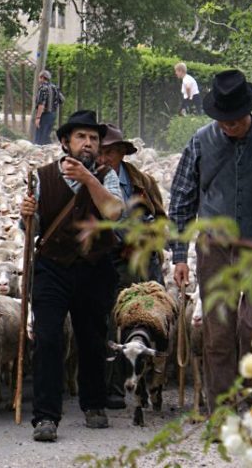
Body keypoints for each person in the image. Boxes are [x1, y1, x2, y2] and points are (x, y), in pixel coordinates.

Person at [20, 110, 123, 442]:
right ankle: (46, 416)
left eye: (93, 139)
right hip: (53, 267)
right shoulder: (41, 176)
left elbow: (115, 212)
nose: (89, 144)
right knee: (48, 338)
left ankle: (93, 404)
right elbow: (31, 229)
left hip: (94, 266)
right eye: (81, 137)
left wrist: (89, 179)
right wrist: (26, 217)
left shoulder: (106, 176)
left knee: (92, 337)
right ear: (65, 142)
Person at [170, 69, 252, 414]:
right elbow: (182, 198)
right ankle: (222, 408)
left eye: (235, 120)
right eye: (223, 121)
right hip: (214, 246)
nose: (229, 126)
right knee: (218, 331)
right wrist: (179, 256)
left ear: (248, 112)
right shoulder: (201, 140)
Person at [98, 123, 167, 409]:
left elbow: (162, 219)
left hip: (144, 264)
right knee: (111, 322)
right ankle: (113, 387)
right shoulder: (93, 181)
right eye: (100, 153)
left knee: (150, 320)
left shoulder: (144, 183)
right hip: (112, 262)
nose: (104, 159)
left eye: (110, 152)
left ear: (122, 153)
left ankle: (151, 383)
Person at [33, 70, 64, 145]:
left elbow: (41, 104)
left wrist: (38, 118)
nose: (39, 80)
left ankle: (39, 154)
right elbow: (62, 99)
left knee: (39, 139)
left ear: (42, 78)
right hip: (52, 114)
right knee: (46, 135)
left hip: (44, 115)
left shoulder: (43, 88)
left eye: (39, 78)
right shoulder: (55, 87)